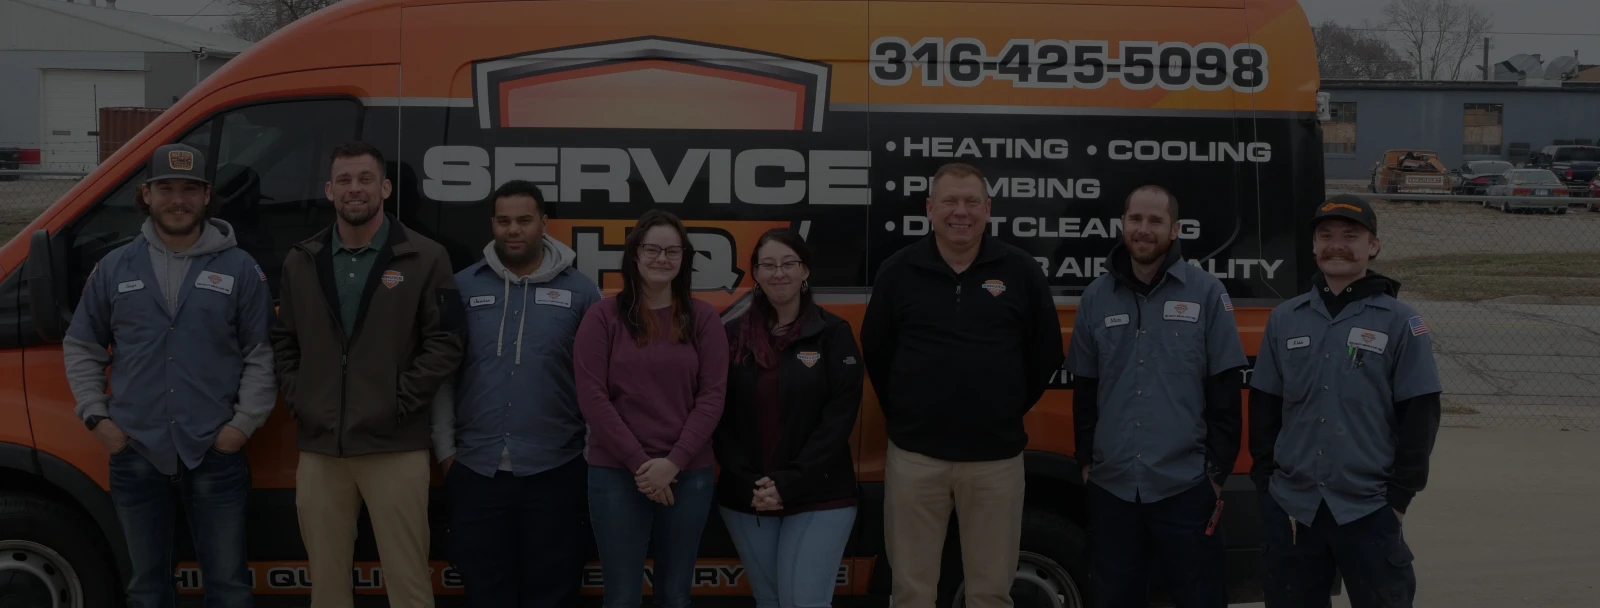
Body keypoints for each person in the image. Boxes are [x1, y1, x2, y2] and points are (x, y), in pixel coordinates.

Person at [64, 143, 275, 608]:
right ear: (146, 194)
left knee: (229, 588)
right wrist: (99, 420)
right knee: (147, 589)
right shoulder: (114, 267)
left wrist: (240, 428)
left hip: (215, 454)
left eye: (189, 189)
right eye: (166, 189)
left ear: (206, 196)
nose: (178, 200)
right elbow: (81, 346)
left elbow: (262, 355)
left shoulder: (240, 268)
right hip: (136, 452)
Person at [860, 162, 1065, 608]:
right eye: (950, 201)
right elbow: (876, 351)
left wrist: (1004, 407)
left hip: (995, 461)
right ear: (930, 208)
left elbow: (1046, 352)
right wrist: (910, 411)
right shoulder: (898, 271)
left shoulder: (1020, 270)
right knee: (910, 591)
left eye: (972, 201)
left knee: (990, 592)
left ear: (988, 209)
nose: (961, 212)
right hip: (916, 458)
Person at [270, 141, 465, 608]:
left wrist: (397, 402)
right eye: (344, 180)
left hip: (394, 446)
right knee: (326, 586)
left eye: (364, 179)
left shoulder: (426, 257)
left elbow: (447, 343)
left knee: (408, 583)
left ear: (385, 188)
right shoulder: (302, 259)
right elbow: (283, 341)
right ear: (329, 190)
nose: (354, 189)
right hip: (322, 449)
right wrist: (303, 398)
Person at [1248, 194, 1442, 608]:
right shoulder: (1285, 319)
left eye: (1351, 236)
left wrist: (1398, 499)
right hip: (1294, 507)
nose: (1337, 245)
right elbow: (1264, 406)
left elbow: (1420, 417)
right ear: (1313, 246)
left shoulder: (1401, 322)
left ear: (1373, 246)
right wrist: (1267, 485)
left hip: (1368, 508)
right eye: (1326, 236)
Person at [1066, 185, 1248, 608]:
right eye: (1136, 219)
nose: (1143, 229)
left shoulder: (1206, 292)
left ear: (1175, 229)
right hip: (1112, 487)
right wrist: (1086, 462)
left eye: (1155, 221)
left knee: (1201, 599)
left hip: (1185, 487)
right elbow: (1085, 388)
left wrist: (1215, 476)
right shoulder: (1096, 297)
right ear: (1122, 224)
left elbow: (1225, 389)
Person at [431, 180, 601, 608]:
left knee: (554, 593)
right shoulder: (462, 287)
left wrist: (586, 455)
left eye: (524, 220)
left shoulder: (582, 292)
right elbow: (443, 375)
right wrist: (446, 452)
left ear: (544, 223)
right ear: (492, 224)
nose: (513, 230)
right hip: (476, 471)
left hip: (556, 470)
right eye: (503, 221)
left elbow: (598, 381)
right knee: (485, 593)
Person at [574, 209, 729, 608]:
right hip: (616, 474)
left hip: (688, 473)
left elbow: (712, 396)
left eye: (673, 251)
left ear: (684, 258)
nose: (663, 258)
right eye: (652, 249)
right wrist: (641, 465)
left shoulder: (704, 319)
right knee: (621, 597)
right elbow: (592, 397)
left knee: (675, 594)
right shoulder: (602, 317)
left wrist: (673, 462)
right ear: (634, 254)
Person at [713, 228, 864, 608]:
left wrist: (790, 482)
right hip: (748, 496)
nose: (779, 273)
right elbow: (716, 413)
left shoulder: (833, 333)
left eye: (788, 263)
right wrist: (752, 482)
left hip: (820, 494)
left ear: (805, 270)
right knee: (770, 601)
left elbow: (839, 418)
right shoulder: (731, 336)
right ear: (756, 273)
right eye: (768, 265)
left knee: (803, 602)